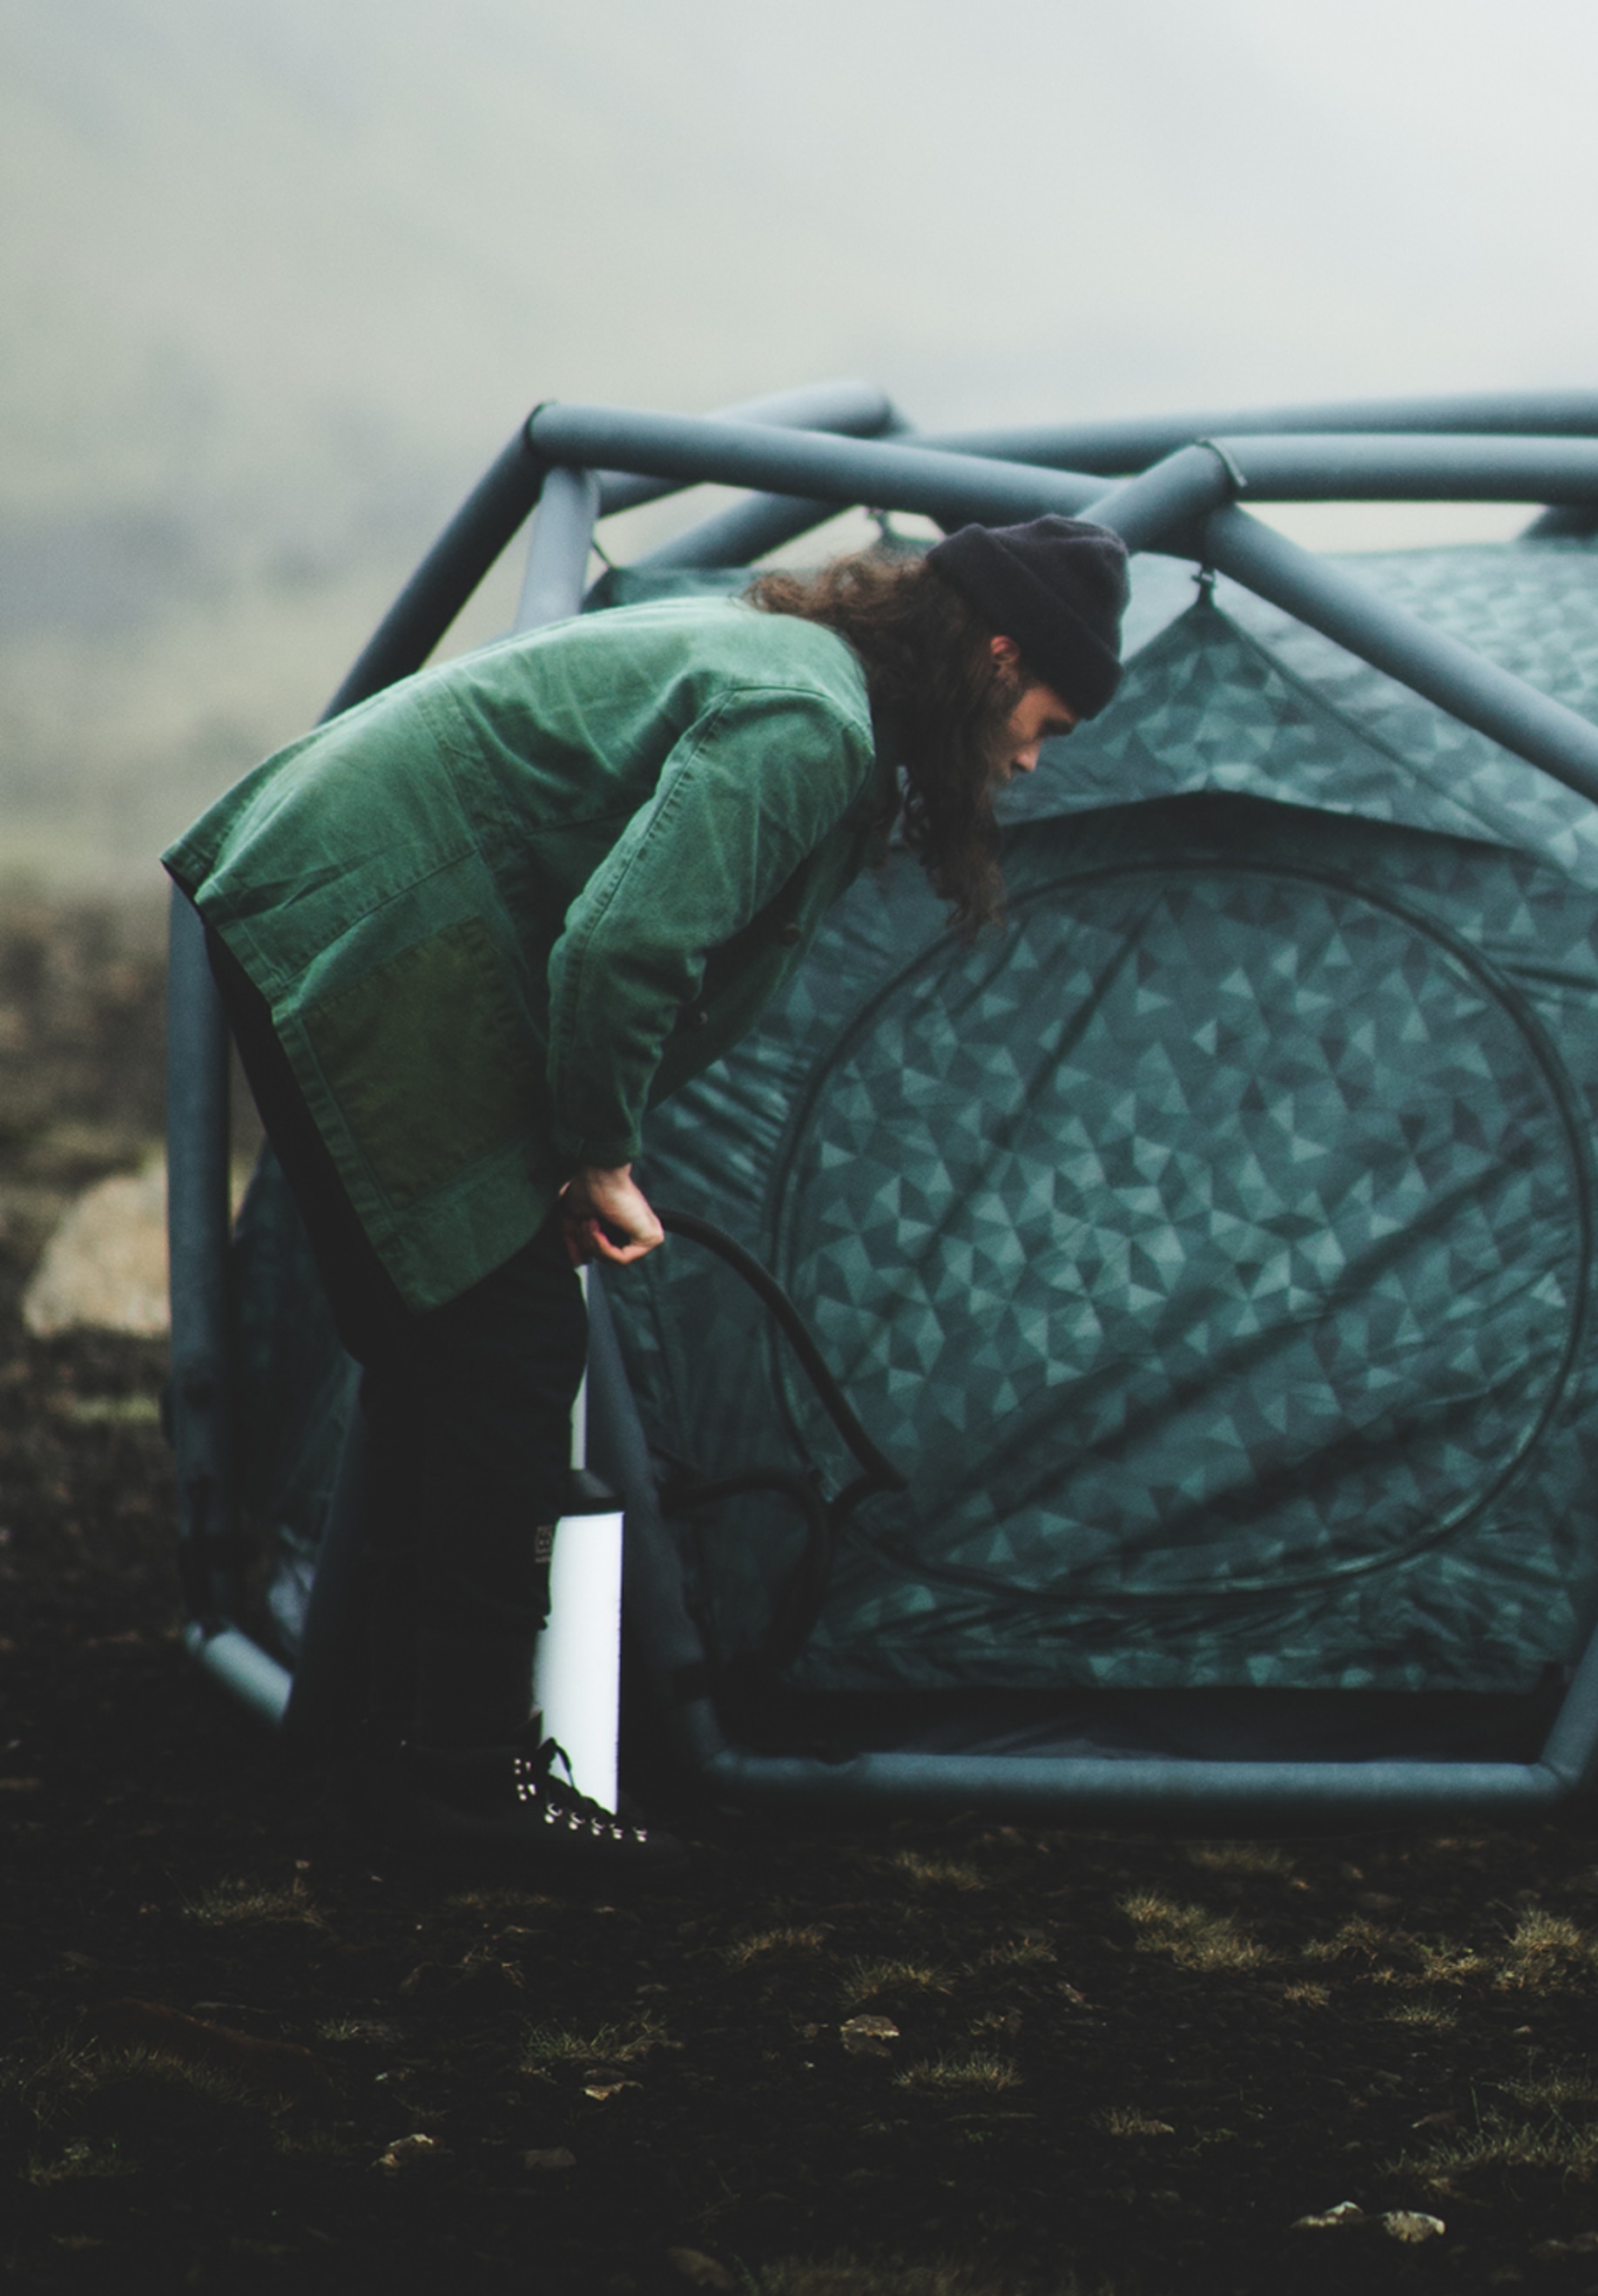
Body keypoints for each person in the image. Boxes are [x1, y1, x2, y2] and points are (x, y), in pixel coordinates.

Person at [163, 512, 1129, 1871]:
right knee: (504, 1357)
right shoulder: (813, 723)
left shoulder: (813, 683)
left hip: (355, 895)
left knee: (444, 1353)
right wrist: (596, 1153)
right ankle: (456, 1791)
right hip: (375, 911)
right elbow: (624, 948)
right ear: (996, 653)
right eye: (1046, 717)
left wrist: (573, 1146)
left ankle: (394, 1760)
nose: (1029, 754)